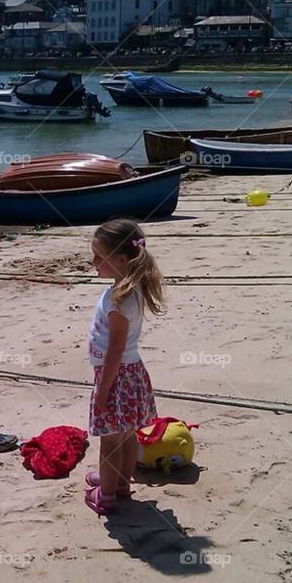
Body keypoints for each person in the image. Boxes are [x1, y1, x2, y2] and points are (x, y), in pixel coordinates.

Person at [84, 219, 163, 515]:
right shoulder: (134, 287)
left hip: (116, 377)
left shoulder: (118, 299)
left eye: (98, 256)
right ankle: (120, 484)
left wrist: (103, 391)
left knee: (110, 440)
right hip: (132, 374)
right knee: (128, 434)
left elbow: (115, 350)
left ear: (119, 259)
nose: (93, 262)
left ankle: (105, 495)